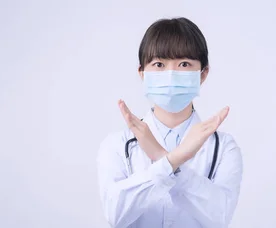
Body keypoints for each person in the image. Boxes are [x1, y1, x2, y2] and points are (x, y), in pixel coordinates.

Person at [96, 17, 243, 228]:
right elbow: (115, 215)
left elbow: (219, 218)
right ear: (142, 74)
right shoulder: (116, 145)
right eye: (159, 64)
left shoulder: (224, 148)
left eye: (184, 64)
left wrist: (160, 157)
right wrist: (173, 161)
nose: (171, 74)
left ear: (203, 74)